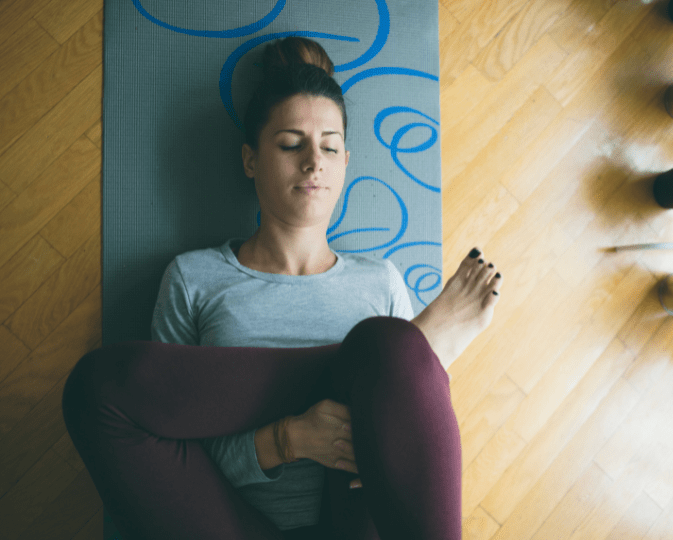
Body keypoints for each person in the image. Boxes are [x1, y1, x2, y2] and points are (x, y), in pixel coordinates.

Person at [62, 37, 504, 540]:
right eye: (292, 144)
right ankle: (396, 350)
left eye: (330, 146)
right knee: (95, 388)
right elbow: (177, 451)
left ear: (345, 162)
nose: (314, 161)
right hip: (227, 521)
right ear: (250, 160)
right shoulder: (194, 278)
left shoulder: (380, 281)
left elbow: (404, 451)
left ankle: (387, 353)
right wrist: (289, 439)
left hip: (353, 522)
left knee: (388, 348)